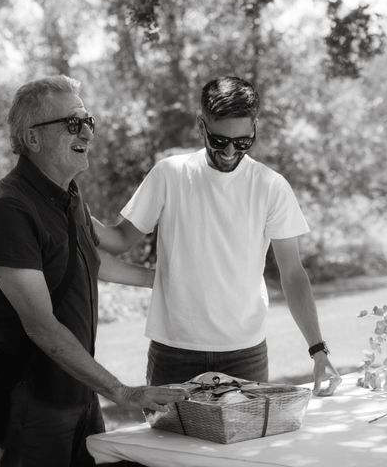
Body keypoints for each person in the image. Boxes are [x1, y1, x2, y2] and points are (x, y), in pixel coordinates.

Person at [0, 75, 187, 467]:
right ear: (33, 139)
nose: (86, 130)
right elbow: (41, 327)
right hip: (32, 399)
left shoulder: (66, 193)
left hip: (78, 386)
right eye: (72, 122)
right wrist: (123, 392)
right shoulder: (10, 211)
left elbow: (92, 260)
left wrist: (165, 281)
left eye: (88, 120)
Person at [93, 76, 342, 396]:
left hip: (245, 355)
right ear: (202, 125)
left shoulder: (271, 186)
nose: (228, 151)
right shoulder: (169, 174)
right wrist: (74, 213)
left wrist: (318, 351)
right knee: (168, 446)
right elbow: (118, 240)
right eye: (219, 139)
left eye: (241, 142)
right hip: (174, 352)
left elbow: (292, 274)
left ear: (255, 129)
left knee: (245, 447)